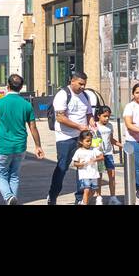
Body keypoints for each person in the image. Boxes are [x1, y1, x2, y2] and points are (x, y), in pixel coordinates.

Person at [0, 74, 44, 205]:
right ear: (20, 88)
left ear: (7, 86)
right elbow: (33, 127)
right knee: (14, 175)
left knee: (0, 175)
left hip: (4, 146)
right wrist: (38, 146)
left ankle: (8, 197)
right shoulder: (26, 105)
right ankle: (11, 200)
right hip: (20, 146)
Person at [47, 71, 96, 205]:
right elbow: (60, 117)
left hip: (81, 138)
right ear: (72, 81)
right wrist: (79, 127)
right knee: (62, 167)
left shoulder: (85, 95)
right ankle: (53, 195)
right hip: (65, 137)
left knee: (83, 167)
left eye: (84, 85)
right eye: (80, 84)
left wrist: (91, 122)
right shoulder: (63, 94)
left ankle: (79, 198)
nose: (82, 87)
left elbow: (89, 114)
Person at [92, 106, 121, 204]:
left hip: (108, 154)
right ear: (99, 116)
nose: (107, 118)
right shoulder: (94, 126)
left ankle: (113, 197)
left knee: (112, 175)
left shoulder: (110, 126)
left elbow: (111, 139)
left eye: (108, 116)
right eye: (104, 116)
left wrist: (121, 145)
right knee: (99, 176)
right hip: (99, 154)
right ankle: (98, 197)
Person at [71, 130, 102, 206]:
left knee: (94, 190)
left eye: (90, 141)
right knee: (87, 190)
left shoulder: (94, 150)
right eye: (87, 141)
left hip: (94, 174)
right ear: (81, 142)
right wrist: (80, 164)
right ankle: (85, 203)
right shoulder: (79, 151)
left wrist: (95, 159)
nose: (89, 143)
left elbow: (101, 157)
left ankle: (84, 202)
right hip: (84, 174)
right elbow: (74, 163)